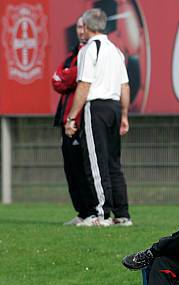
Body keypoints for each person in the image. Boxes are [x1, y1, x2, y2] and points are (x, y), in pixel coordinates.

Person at [64, 8, 131, 227]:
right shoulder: (115, 49)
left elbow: (84, 85)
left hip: (96, 107)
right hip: (113, 106)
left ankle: (100, 214)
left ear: (88, 25)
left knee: (95, 162)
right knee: (113, 163)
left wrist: (72, 116)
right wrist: (124, 114)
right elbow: (125, 86)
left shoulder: (90, 49)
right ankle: (122, 214)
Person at [52, 17, 91, 225]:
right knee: (70, 168)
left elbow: (72, 78)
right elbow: (56, 80)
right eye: (78, 26)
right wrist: (67, 76)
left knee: (83, 166)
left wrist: (68, 75)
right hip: (66, 118)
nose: (80, 30)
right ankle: (82, 212)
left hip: (80, 118)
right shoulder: (73, 53)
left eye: (84, 26)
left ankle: (92, 211)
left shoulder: (93, 51)